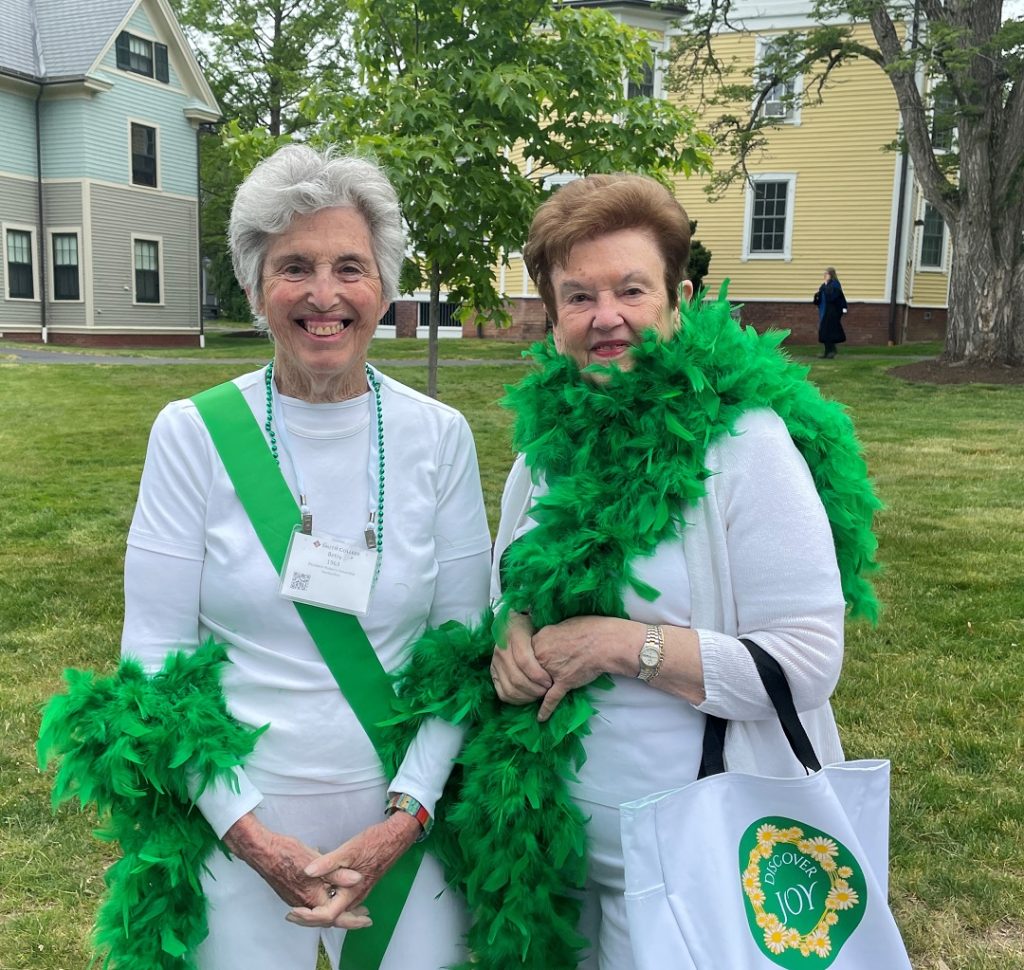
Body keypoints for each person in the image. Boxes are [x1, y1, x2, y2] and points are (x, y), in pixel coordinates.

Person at [106, 145, 491, 968]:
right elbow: (153, 657)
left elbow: (466, 651)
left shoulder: (440, 436)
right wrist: (249, 836)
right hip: (239, 821)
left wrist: (409, 813)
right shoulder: (192, 432)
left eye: (350, 267)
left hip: (403, 813)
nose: (325, 295)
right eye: (295, 267)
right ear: (254, 290)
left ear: (383, 288)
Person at [483, 175, 878, 968]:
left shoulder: (745, 446)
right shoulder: (540, 454)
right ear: (552, 313)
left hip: (698, 855)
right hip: (552, 856)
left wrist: (617, 645)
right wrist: (511, 634)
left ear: (681, 297)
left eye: (631, 289)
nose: (607, 318)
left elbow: (803, 664)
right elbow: (508, 593)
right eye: (578, 295)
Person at [813, 266, 848, 358]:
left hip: (832, 312)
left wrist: (825, 288)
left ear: (831, 275)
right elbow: (820, 298)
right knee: (825, 332)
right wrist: (816, 297)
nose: (825, 275)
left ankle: (831, 352)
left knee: (829, 331)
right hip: (824, 311)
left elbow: (833, 297)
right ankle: (828, 352)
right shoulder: (824, 285)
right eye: (824, 274)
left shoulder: (835, 285)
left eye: (826, 274)